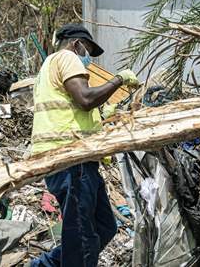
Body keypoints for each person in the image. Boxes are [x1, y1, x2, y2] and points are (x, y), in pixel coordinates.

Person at [29, 24, 140, 267]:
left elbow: (74, 112)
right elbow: (85, 99)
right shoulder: (67, 57)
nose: (87, 59)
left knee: (104, 227)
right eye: (87, 50)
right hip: (71, 160)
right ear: (76, 43)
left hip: (76, 161)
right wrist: (118, 80)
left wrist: (105, 117)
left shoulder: (48, 66)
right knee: (83, 238)